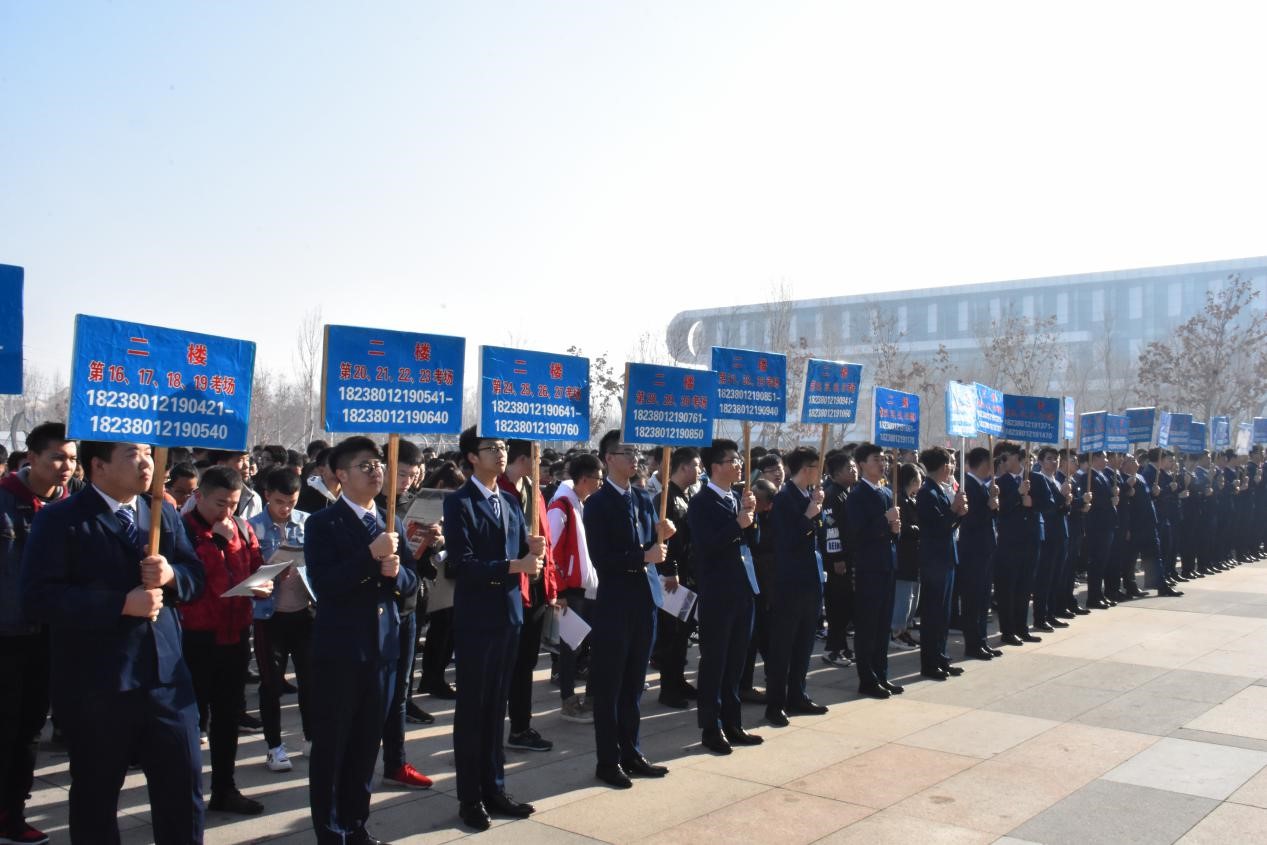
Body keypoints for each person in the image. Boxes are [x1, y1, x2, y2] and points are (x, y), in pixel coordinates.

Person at [21, 440, 206, 844]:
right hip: (98, 685)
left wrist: (171, 575)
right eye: (132, 455)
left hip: (166, 681)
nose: (147, 463)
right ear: (98, 466)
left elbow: (195, 577)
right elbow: (38, 598)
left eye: (148, 453)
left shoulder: (161, 513)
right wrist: (120, 604)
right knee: (96, 797)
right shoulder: (61, 519)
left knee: (182, 791)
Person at [305, 437, 418, 845]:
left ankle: (356, 824)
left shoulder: (391, 521)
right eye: (365, 466)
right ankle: (330, 830)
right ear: (340, 474)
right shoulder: (323, 523)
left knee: (367, 743)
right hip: (342, 650)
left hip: (383, 649)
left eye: (378, 464)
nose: (375, 472)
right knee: (334, 745)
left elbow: (411, 585)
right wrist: (370, 556)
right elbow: (325, 585)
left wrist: (397, 572)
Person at [445, 428, 544, 831]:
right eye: (491, 448)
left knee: (496, 708)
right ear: (472, 457)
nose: (500, 453)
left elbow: (520, 553)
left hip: (509, 615)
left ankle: (495, 788)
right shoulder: (459, 502)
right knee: (473, 710)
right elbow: (461, 565)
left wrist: (532, 552)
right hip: (477, 619)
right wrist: (514, 565)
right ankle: (470, 797)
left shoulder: (510, 500)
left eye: (503, 447)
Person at [0, 423, 77, 845]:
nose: (66, 466)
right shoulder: (5, 500)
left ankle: (13, 813)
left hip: (51, 635)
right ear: (31, 457)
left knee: (30, 728)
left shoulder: (73, 507)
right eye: (57, 457)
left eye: (72, 458)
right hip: (7, 633)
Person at [585, 430, 674, 790]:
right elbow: (602, 558)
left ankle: (632, 751)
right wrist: (643, 556)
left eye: (636, 451)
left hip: (644, 601)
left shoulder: (643, 497)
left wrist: (664, 536)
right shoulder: (597, 503)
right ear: (608, 459)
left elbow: (653, 547)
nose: (634, 457)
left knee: (635, 684)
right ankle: (608, 760)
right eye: (626, 452)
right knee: (610, 686)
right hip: (615, 603)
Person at [180, 466, 269, 815]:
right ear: (199, 496)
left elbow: (255, 565)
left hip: (236, 633)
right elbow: (190, 582)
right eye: (220, 503)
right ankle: (185, 794)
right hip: (196, 637)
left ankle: (224, 788)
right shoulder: (181, 531)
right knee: (190, 721)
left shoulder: (242, 528)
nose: (227, 512)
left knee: (228, 716)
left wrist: (263, 584)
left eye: (233, 504)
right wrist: (217, 542)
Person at [688, 439, 763, 754]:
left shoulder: (737, 497)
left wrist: (750, 517)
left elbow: (752, 541)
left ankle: (733, 722)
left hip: (743, 588)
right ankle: (711, 726)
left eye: (739, 459)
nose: (739, 465)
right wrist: (737, 524)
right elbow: (707, 546)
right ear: (715, 467)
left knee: (736, 662)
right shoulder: (701, 502)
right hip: (717, 591)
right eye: (733, 460)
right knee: (715, 662)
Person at [375, 440, 436, 790]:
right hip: (373, 615)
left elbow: (415, 569)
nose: (406, 482)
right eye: (401, 474)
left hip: (407, 608)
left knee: (400, 692)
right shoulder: (367, 509)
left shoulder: (412, 506)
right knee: (371, 694)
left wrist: (432, 542)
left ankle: (395, 762)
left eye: (412, 475)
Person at [248, 467, 314, 775]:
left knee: (310, 680)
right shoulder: (252, 527)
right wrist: (270, 574)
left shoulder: (308, 523)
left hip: (304, 612)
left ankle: (311, 737)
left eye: (291, 502)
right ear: (267, 496)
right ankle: (274, 746)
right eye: (279, 502)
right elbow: (246, 573)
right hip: (269, 616)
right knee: (271, 683)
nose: (286, 509)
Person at [497, 439, 560, 754]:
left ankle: (521, 726)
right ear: (524, 459)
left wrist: (551, 586)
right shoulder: (498, 490)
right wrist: (524, 548)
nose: (541, 465)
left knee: (526, 663)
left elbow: (547, 541)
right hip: (509, 588)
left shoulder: (534, 491)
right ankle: (492, 732)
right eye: (536, 458)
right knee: (504, 665)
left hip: (535, 587)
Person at [764, 446, 830, 726]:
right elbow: (785, 540)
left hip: (811, 580)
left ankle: (797, 695)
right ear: (806, 469)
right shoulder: (784, 498)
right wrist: (808, 516)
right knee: (783, 647)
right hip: (789, 583)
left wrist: (816, 511)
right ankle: (775, 704)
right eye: (817, 468)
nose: (820, 473)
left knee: (804, 644)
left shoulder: (809, 495)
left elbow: (818, 534)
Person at [547, 452, 604, 724]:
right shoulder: (561, 507)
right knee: (570, 649)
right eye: (598, 479)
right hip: (570, 591)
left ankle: (590, 698)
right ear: (584, 479)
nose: (601, 484)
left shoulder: (582, 505)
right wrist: (557, 592)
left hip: (589, 587)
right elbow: (552, 553)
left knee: (590, 645)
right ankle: (568, 701)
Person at [845, 443, 902, 699]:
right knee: (868, 626)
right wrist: (884, 521)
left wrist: (895, 529)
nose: (882, 464)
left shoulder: (887, 492)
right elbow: (856, 534)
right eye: (876, 459)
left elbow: (891, 533)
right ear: (862, 464)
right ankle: (867, 679)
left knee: (882, 626)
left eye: (883, 459)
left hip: (887, 565)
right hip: (868, 568)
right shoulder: (857, 495)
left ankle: (881, 674)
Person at [653, 447, 700, 709]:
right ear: (683, 467)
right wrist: (670, 569)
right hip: (672, 578)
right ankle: (668, 689)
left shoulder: (685, 495)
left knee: (683, 633)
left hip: (687, 574)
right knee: (671, 634)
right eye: (696, 465)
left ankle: (679, 680)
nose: (700, 470)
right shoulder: (665, 498)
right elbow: (663, 538)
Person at [916, 447, 968, 680]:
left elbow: (949, 525)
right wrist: (954, 510)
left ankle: (941, 657)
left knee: (944, 613)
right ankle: (930, 663)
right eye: (950, 464)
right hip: (934, 560)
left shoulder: (939, 489)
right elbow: (936, 526)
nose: (952, 468)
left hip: (946, 557)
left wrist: (958, 514)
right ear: (944, 466)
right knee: (933, 614)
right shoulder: (927, 492)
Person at [994, 443, 1041, 645]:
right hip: (1009, 543)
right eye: (1002, 458)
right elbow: (999, 509)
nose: (1004, 462)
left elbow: (1049, 503)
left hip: (1030, 541)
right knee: (1008, 589)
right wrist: (1018, 494)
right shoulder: (999, 483)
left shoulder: (1035, 478)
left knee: (1024, 588)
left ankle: (1022, 628)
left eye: (1007, 457)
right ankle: (1008, 631)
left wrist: (1032, 502)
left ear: (1017, 457)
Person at [958, 447, 1001, 660]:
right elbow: (970, 520)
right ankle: (973, 644)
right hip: (973, 551)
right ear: (984, 464)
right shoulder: (968, 486)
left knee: (983, 599)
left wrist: (993, 504)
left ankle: (982, 641)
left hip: (985, 549)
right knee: (973, 600)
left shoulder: (984, 486)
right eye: (991, 463)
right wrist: (989, 506)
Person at [739, 477, 778, 702]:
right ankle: (744, 685)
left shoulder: (773, 520)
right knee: (749, 642)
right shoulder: (743, 514)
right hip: (747, 587)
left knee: (766, 638)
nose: (751, 500)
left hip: (765, 587)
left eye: (758, 498)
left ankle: (774, 681)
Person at [820, 451, 856, 667]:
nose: (854, 471)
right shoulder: (832, 494)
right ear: (836, 473)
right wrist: (837, 558)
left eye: (854, 467)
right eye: (849, 468)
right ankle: (832, 650)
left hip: (847, 557)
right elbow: (831, 528)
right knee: (837, 605)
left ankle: (842, 646)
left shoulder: (846, 493)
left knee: (845, 604)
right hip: (837, 561)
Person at [891, 463, 922, 649]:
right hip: (904, 555)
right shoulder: (899, 500)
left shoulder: (911, 499)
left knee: (912, 597)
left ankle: (905, 629)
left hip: (914, 556)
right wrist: (919, 529)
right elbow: (902, 527)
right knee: (903, 597)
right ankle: (896, 631)